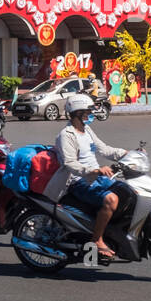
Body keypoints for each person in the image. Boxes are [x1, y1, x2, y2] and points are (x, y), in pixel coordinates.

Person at [45, 93, 128, 260]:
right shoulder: (66, 135)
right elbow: (70, 164)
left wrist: (127, 154)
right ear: (77, 113)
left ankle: (112, 231)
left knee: (128, 192)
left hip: (96, 177)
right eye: (87, 112)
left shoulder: (87, 130)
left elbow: (104, 149)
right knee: (111, 200)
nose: (90, 114)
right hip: (78, 181)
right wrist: (95, 171)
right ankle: (96, 239)